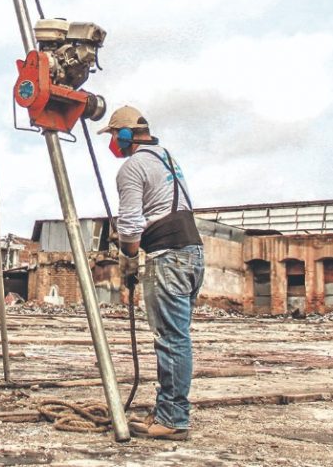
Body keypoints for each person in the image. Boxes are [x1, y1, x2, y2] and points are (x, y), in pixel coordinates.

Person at [99, 105, 204, 441]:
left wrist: (128, 256)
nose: (113, 142)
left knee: (171, 340)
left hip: (168, 256)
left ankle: (173, 420)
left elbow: (129, 225)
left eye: (114, 135)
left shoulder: (132, 167)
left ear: (126, 135)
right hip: (192, 253)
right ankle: (168, 411)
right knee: (178, 336)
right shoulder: (166, 156)